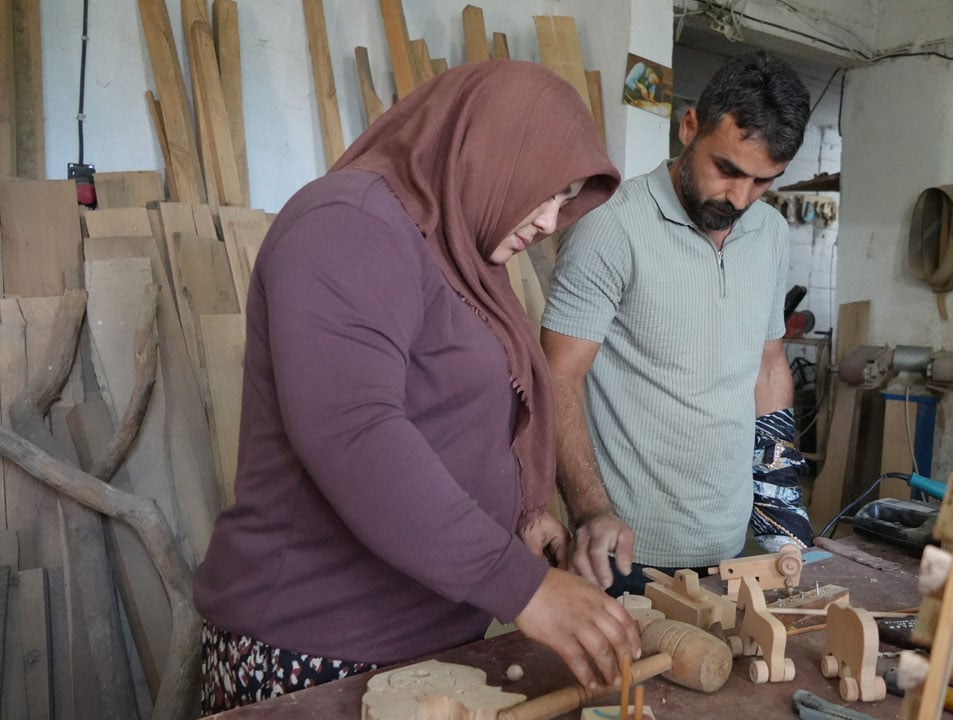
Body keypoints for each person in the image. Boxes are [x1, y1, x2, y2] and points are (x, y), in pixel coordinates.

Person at [193, 61, 640, 715]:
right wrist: (522, 588)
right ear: (487, 150)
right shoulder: (348, 225)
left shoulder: (460, 252)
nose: (549, 221)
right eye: (544, 192)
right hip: (311, 648)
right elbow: (355, 433)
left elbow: (452, 410)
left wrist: (523, 514)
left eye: (564, 199)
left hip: (423, 637)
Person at [541, 50, 814, 597]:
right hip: (625, 551)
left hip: (731, 544)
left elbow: (767, 368)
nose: (740, 198)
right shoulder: (610, 227)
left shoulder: (769, 232)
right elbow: (557, 378)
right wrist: (592, 512)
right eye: (727, 170)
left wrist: (780, 499)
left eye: (763, 181)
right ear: (689, 127)